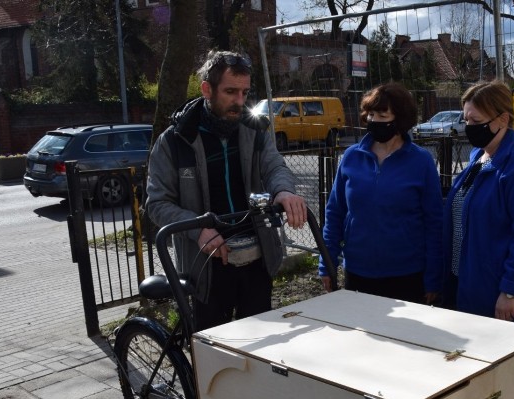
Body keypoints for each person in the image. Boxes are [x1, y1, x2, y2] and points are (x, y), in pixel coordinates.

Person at [146, 50, 307, 331]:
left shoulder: (255, 130)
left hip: (256, 258)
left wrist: (284, 191)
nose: (240, 102)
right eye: (231, 92)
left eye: (245, 92)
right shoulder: (174, 141)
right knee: (213, 353)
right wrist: (198, 230)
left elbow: (275, 168)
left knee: (260, 345)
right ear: (207, 89)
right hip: (206, 265)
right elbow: (157, 204)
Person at [318, 83, 443, 304]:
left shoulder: (421, 161)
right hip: (358, 272)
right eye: (371, 114)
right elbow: (335, 213)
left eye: (382, 115)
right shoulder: (351, 157)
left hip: (407, 276)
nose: (374, 121)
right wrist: (326, 264)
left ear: (400, 119)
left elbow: (434, 223)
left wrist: (433, 276)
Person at [443, 80, 514, 323]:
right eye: (467, 120)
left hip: (503, 294)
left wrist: (511, 289)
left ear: (503, 119)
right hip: (472, 282)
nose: (469, 127)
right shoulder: (480, 157)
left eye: (477, 121)